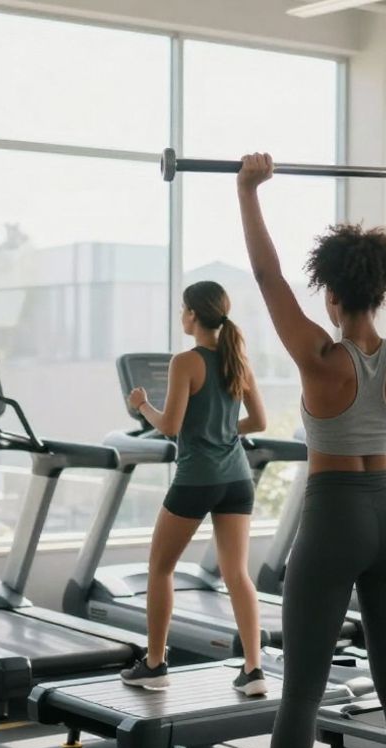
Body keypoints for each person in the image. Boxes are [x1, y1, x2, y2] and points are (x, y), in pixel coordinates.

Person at [237, 153, 386, 748]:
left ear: (332, 294)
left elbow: (266, 275)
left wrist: (249, 190)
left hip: (333, 519)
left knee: (301, 695)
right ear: (383, 290)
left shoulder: (320, 358)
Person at [118, 280, 270, 695]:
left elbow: (170, 426)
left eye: (182, 309)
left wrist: (141, 405)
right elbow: (259, 422)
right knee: (237, 573)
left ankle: (155, 665)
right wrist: (221, 430)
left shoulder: (185, 361)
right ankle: (254, 670)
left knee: (160, 568)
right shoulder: (238, 360)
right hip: (237, 479)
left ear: (192, 314)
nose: (180, 316)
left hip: (197, 479)